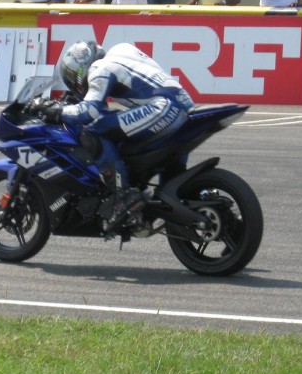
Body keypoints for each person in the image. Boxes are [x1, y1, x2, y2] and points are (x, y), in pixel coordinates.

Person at [33, 41, 194, 232]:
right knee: (170, 177)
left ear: (79, 69)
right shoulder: (123, 51)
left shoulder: (99, 69)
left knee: (93, 130)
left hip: (164, 109)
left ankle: (123, 196)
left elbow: (88, 112)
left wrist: (56, 110)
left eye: (71, 75)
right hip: (185, 105)